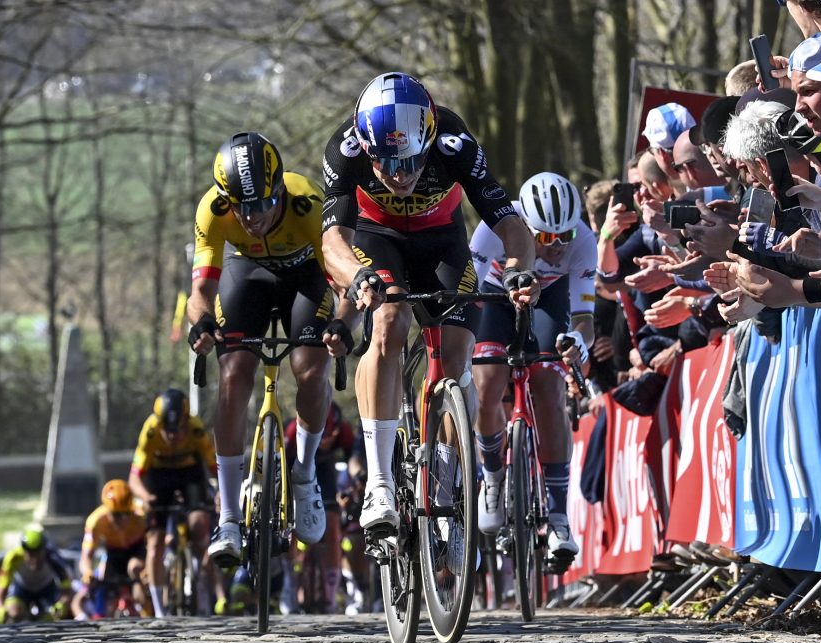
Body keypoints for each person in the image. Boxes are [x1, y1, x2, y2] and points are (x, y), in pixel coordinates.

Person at [319, 72, 539, 557]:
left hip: (442, 241)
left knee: (456, 354)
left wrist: (520, 271)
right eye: (389, 164)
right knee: (391, 321)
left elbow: (508, 221)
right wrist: (355, 279)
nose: (401, 175)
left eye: (413, 161)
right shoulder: (345, 149)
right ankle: (379, 482)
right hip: (378, 241)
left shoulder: (454, 141)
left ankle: (442, 469)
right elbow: (332, 238)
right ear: (368, 150)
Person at [186, 132, 350, 569]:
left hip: (306, 275)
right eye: (242, 206)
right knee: (234, 372)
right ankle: (228, 517)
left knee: (309, 367)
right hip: (248, 275)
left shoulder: (307, 203)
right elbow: (201, 288)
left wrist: (341, 323)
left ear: (279, 190)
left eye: (262, 203)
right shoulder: (214, 210)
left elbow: (339, 276)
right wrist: (201, 323)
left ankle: (304, 470)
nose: (253, 216)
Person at [470, 172, 597, 571]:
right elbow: (465, 288)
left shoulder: (585, 242)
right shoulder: (494, 229)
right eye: (545, 238)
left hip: (549, 299)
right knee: (488, 384)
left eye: (565, 237)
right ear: (525, 225)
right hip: (493, 293)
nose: (557, 247)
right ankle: (492, 478)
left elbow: (584, 318)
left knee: (549, 388)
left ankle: (559, 517)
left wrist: (579, 341)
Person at [128, 388, 217, 617]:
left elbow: (214, 468)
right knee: (155, 542)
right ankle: (159, 609)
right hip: (160, 476)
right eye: (167, 431)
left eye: (178, 430)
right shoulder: (150, 431)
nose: (173, 436)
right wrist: (146, 498)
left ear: (186, 421)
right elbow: (135, 477)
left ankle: (201, 578)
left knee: (199, 523)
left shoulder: (197, 430)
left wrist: (217, 493)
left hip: (190, 474)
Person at [280, 402, 355, 615]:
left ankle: (330, 593)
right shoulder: (293, 430)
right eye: (323, 437)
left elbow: (354, 462)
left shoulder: (344, 431)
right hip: (294, 463)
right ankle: (290, 582)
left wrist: (349, 489)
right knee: (289, 521)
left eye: (330, 437)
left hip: (324, 468)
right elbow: (281, 464)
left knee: (332, 524)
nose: (326, 441)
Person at [79, 479, 149, 618]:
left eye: (126, 514)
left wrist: (147, 571)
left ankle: (149, 613)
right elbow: (86, 556)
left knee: (135, 568)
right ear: (107, 510)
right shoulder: (96, 522)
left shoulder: (142, 515)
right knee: (103, 582)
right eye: (116, 515)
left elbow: (153, 546)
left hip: (138, 550)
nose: (122, 520)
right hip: (114, 552)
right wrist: (87, 572)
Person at [0, 525, 72, 623]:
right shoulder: (12, 558)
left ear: (44, 550)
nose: (34, 559)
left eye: (37, 554)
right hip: (22, 589)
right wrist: (1, 609)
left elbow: (67, 591)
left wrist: (62, 604)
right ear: (24, 551)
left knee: (54, 615)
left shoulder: (54, 559)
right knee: (13, 612)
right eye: (30, 554)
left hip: (47, 589)